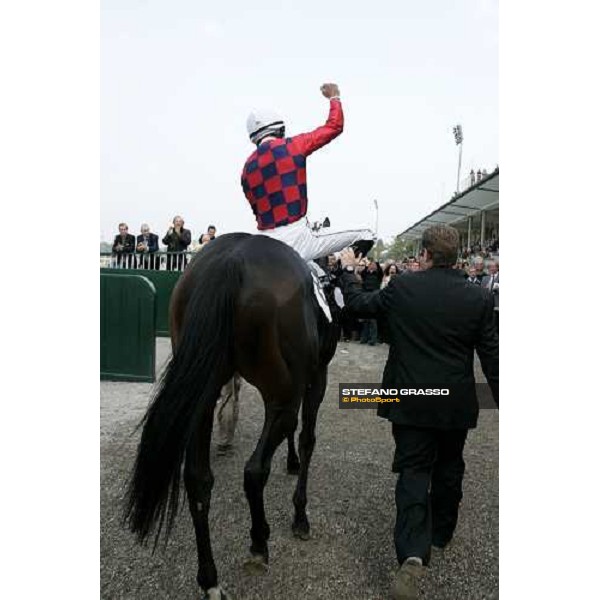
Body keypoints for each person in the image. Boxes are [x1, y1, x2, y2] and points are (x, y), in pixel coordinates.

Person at [338, 224, 498, 600]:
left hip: (409, 398)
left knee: (413, 470)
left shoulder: (403, 288)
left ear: (424, 254)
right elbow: (491, 355)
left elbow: (359, 307)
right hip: (454, 400)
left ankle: (412, 553)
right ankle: (441, 532)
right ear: (455, 256)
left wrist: (347, 273)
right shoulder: (476, 298)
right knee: (450, 464)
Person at [241, 82, 376, 263]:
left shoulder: (246, 169)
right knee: (367, 232)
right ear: (280, 128)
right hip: (299, 239)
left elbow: (257, 210)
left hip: (264, 241)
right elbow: (334, 126)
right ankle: (347, 269)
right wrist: (334, 97)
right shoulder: (293, 145)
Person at [360, 260, 382, 346]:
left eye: (374, 265)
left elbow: (380, 270)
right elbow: (362, 273)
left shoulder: (378, 274)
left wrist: (376, 265)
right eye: (370, 264)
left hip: (374, 296)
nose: (371, 266)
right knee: (365, 318)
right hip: (366, 295)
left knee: (373, 319)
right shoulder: (365, 273)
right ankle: (364, 338)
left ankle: (373, 339)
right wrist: (366, 266)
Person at [481, 260, 499, 333]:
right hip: (488, 306)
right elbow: (481, 291)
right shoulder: (485, 278)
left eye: (494, 266)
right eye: (490, 267)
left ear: (497, 268)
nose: (492, 268)